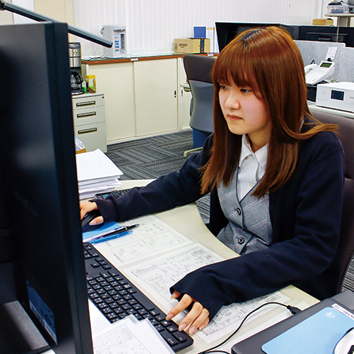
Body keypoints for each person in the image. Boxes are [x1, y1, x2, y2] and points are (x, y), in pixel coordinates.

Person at [80, 26, 344, 335]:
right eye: (224, 87)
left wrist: (219, 281)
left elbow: (311, 249)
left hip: (283, 288)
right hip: (224, 261)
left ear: (281, 89)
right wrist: (112, 207)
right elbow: (180, 184)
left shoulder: (320, 150)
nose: (229, 102)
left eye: (245, 90)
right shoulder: (230, 138)